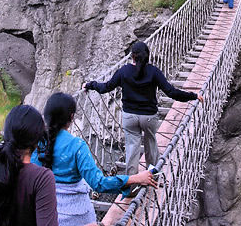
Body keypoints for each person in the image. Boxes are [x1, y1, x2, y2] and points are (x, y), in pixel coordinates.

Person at [31, 92, 157, 226]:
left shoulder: (36, 145)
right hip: (78, 218)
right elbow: (98, 183)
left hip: (47, 216)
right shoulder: (77, 146)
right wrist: (134, 178)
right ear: (71, 118)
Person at [83, 41, 204, 185]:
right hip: (149, 117)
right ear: (147, 56)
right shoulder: (154, 72)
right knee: (151, 146)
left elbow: (106, 87)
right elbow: (171, 92)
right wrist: (193, 95)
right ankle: (153, 176)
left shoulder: (124, 71)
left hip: (129, 117)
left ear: (132, 56)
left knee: (132, 149)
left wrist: (90, 85)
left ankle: (131, 184)